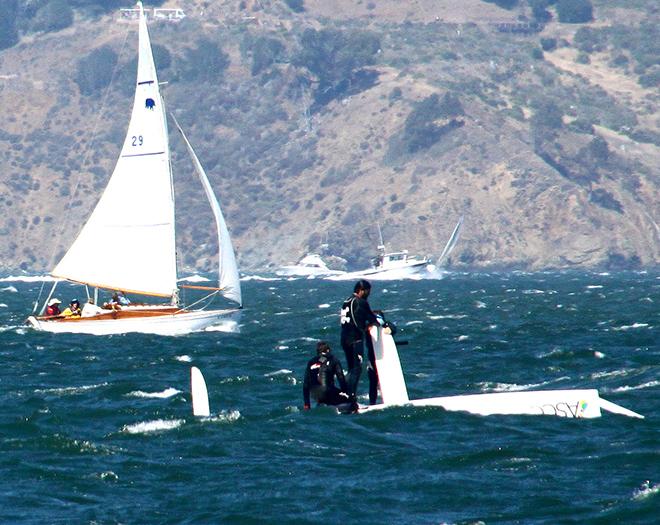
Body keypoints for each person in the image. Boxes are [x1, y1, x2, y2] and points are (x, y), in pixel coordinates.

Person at [340, 279, 380, 408]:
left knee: (351, 369)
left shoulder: (347, 301)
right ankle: (351, 400)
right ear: (362, 290)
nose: (369, 294)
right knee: (356, 369)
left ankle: (344, 396)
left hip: (344, 338)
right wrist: (372, 324)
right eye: (368, 291)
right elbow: (371, 318)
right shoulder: (361, 302)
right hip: (355, 339)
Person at [303, 342, 349, 410]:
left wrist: (306, 404)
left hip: (314, 394)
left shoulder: (311, 361)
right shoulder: (333, 359)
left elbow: (306, 383)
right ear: (328, 350)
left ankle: (322, 403)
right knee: (348, 400)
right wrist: (345, 393)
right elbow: (340, 377)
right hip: (327, 392)